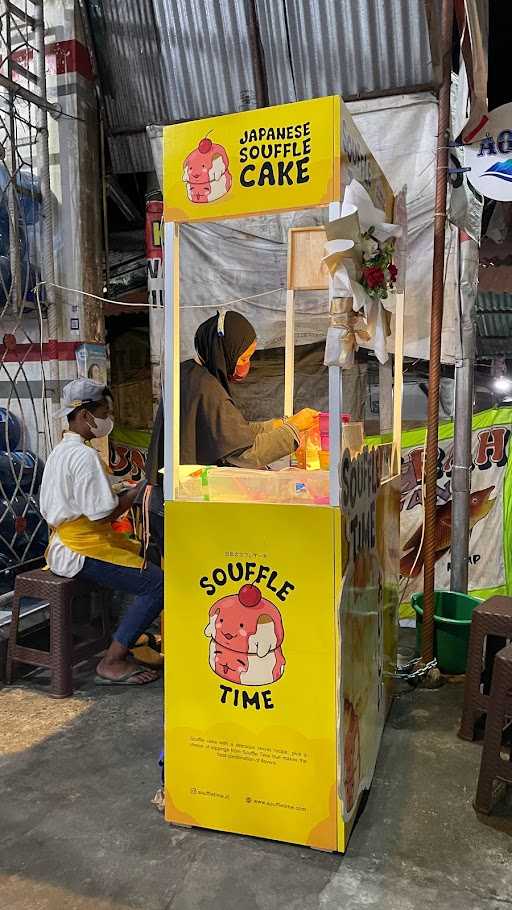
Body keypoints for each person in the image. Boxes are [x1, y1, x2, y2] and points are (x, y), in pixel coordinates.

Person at [39, 379, 162, 686]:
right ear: (84, 416)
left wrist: (123, 490)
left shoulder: (62, 451)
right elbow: (103, 513)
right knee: (158, 583)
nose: (109, 419)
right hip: (78, 548)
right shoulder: (84, 456)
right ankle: (112, 660)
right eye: (104, 412)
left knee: (141, 555)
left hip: (66, 542)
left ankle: (132, 639)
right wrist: (138, 491)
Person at [182, 310, 318, 466]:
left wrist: (282, 424)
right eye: (244, 358)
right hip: (190, 486)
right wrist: (294, 428)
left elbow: (234, 433)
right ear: (224, 353)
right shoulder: (208, 391)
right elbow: (245, 454)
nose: (247, 365)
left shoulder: (189, 373)